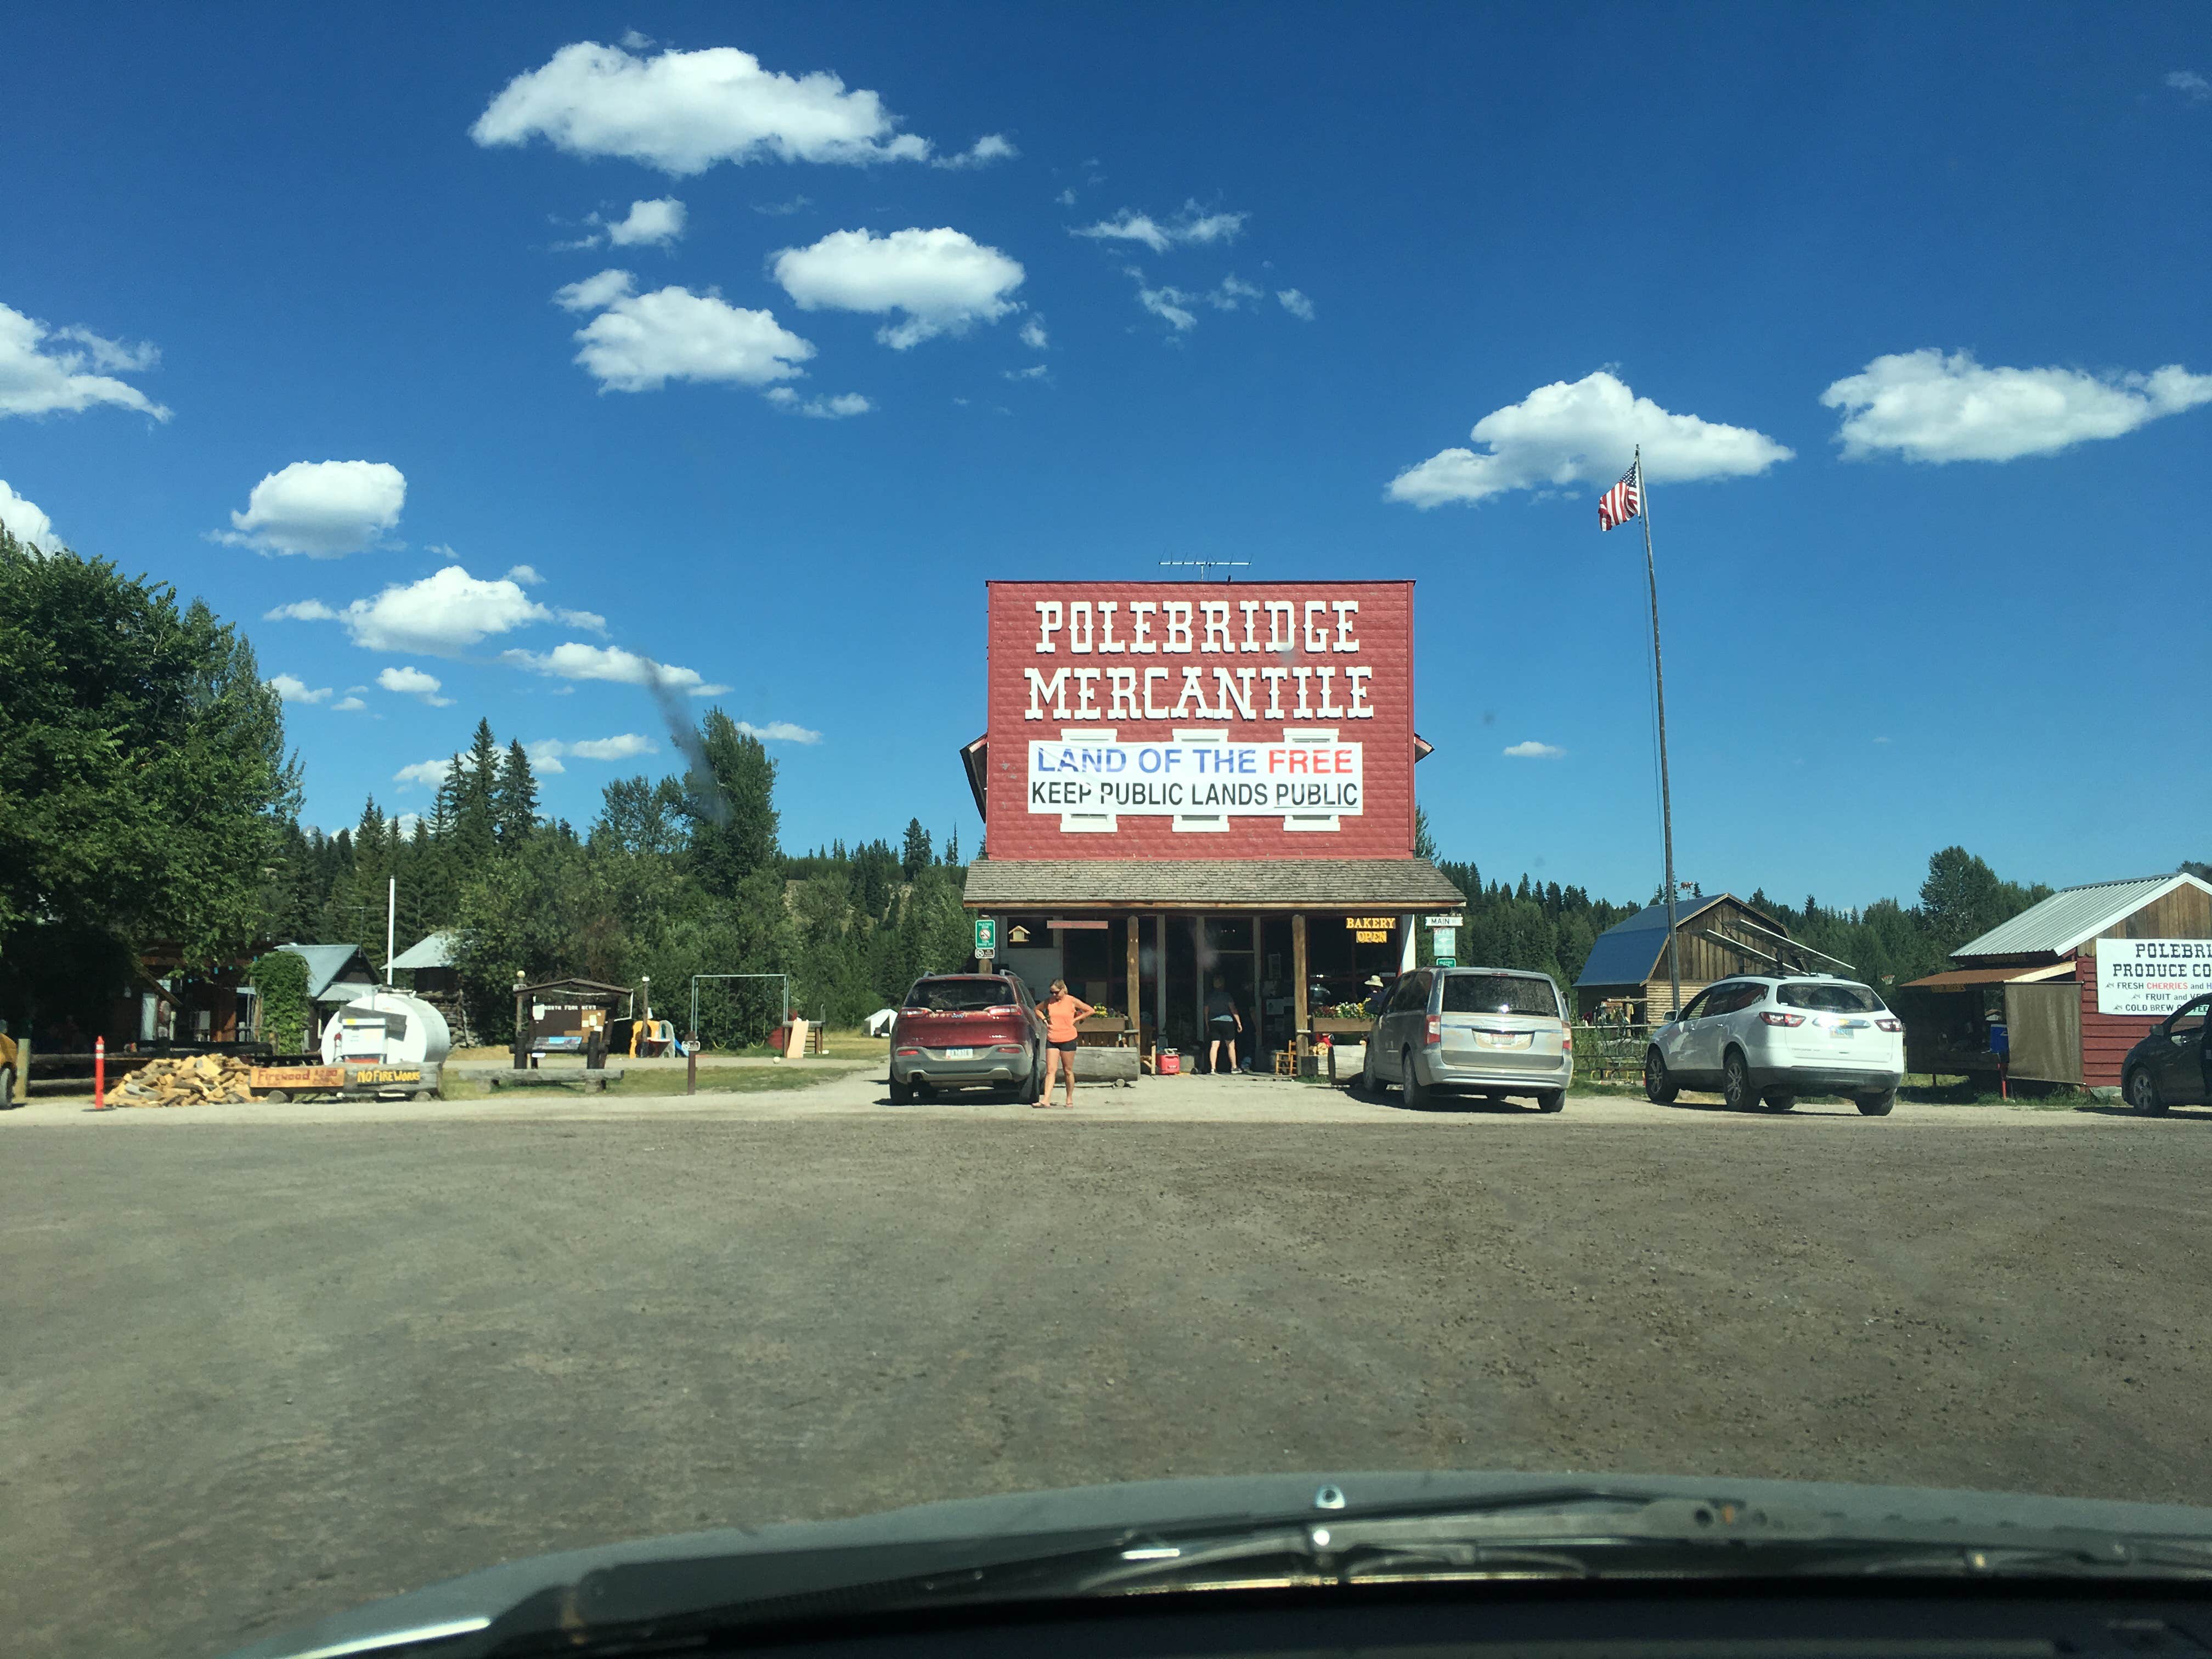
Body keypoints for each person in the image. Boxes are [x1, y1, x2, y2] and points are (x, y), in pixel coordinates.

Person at [1033, 979, 1093, 1108]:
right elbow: (1037, 1009)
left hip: (1068, 1038)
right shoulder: (1049, 1002)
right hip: (1053, 1038)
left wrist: (1076, 1019)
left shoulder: (1071, 1000)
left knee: (1068, 1071)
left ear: (1062, 990)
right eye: (1051, 992)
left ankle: (1069, 1099)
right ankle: (1046, 1099)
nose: (1054, 995)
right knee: (1051, 1070)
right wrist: (1044, 1019)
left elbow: (1090, 1010)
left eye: (1056, 992)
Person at [1204, 976, 1243, 1075]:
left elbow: (1206, 1011)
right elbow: (1233, 1009)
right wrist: (1239, 1022)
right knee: (1230, 1045)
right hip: (1227, 1022)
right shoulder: (1227, 996)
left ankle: (1213, 1068)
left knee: (1214, 1045)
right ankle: (1234, 1067)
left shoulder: (1210, 997)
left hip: (1213, 1022)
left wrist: (1207, 1023)